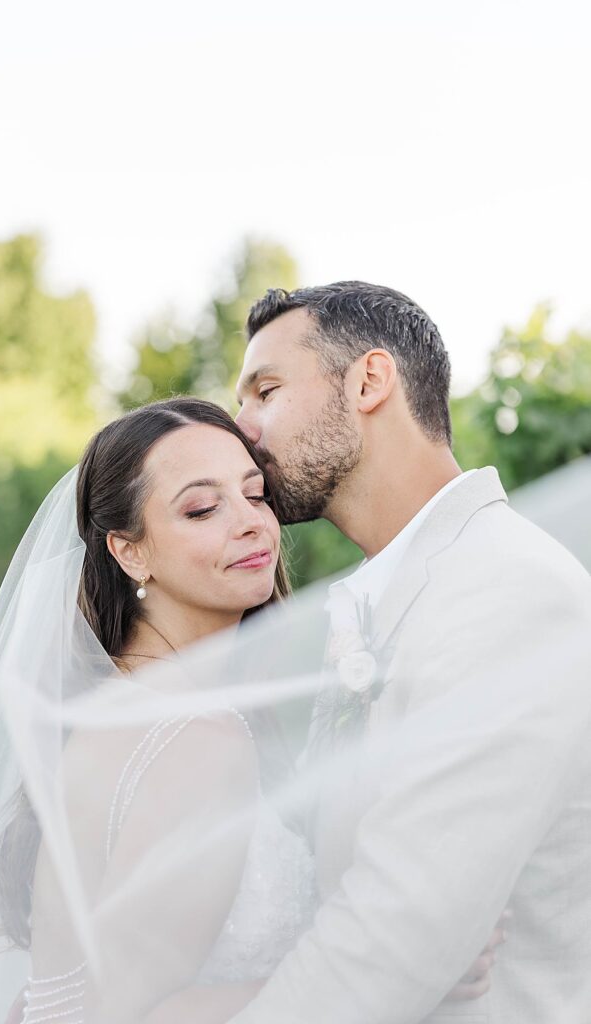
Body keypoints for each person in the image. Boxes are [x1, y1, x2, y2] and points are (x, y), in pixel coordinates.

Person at [0, 397, 494, 1024]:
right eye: (202, 508)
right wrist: (393, 966)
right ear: (129, 551)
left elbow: (53, 999)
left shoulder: (119, 708)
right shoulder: (195, 739)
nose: (249, 523)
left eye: (255, 494)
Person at [230, 281, 591, 1023]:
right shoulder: (380, 597)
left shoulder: (509, 591)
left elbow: (389, 940)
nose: (242, 429)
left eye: (264, 390)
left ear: (368, 381)